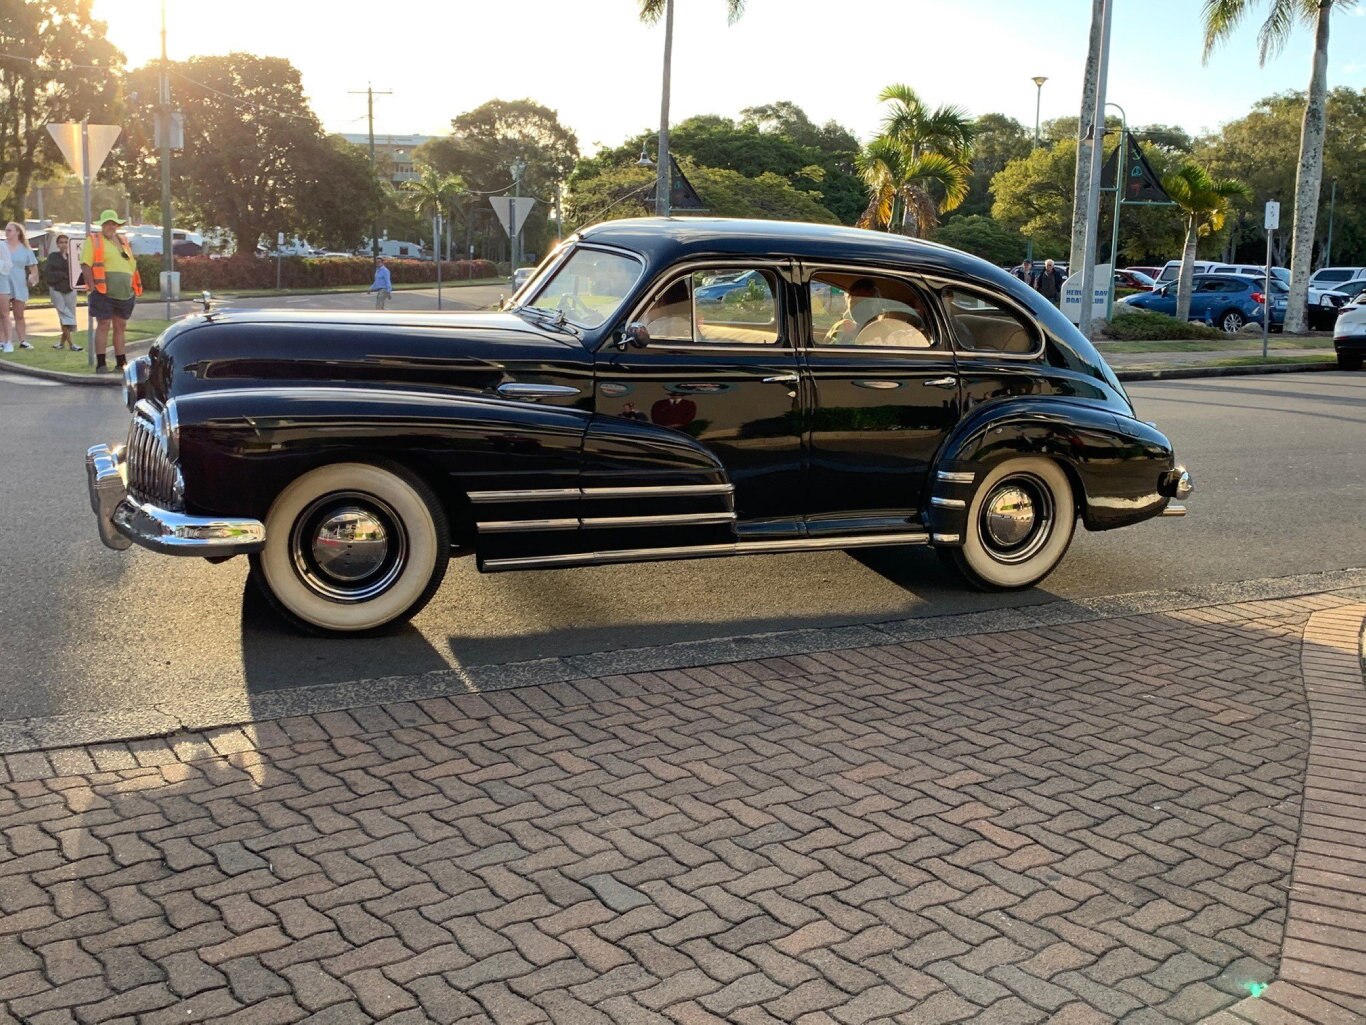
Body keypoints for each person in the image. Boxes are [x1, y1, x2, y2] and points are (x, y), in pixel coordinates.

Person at [79, 210, 143, 373]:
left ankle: (121, 362)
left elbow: (131, 265)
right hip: (102, 290)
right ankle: (101, 364)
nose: (110, 226)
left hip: (124, 292)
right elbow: (86, 264)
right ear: (102, 225)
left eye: (113, 223)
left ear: (117, 225)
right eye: (107, 223)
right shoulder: (94, 240)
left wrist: (132, 286)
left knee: (120, 325)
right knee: (103, 324)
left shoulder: (123, 242)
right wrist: (92, 286)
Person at [4, 223, 39, 351]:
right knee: (3, 314)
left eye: (9, 230)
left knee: (19, 314)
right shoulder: (2, 247)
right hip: (3, 283)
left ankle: (23, 340)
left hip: (19, 284)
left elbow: (34, 268)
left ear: (17, 232)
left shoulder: (26, 250)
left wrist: (32, 278)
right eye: (6, 230)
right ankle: (3, 340)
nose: (7, 233)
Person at [43, 234, 81, 351]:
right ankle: (71, 344)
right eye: (61, 242)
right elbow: (50, 273)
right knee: (64, 315)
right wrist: (63, 274)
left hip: (70, 290)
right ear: (58, 244)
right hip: (56, 289)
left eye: (65, 242)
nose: (63, 244)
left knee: (70, 315)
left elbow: (75, 273)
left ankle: (61, 344)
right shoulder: (53, 257)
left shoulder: (73, 257)